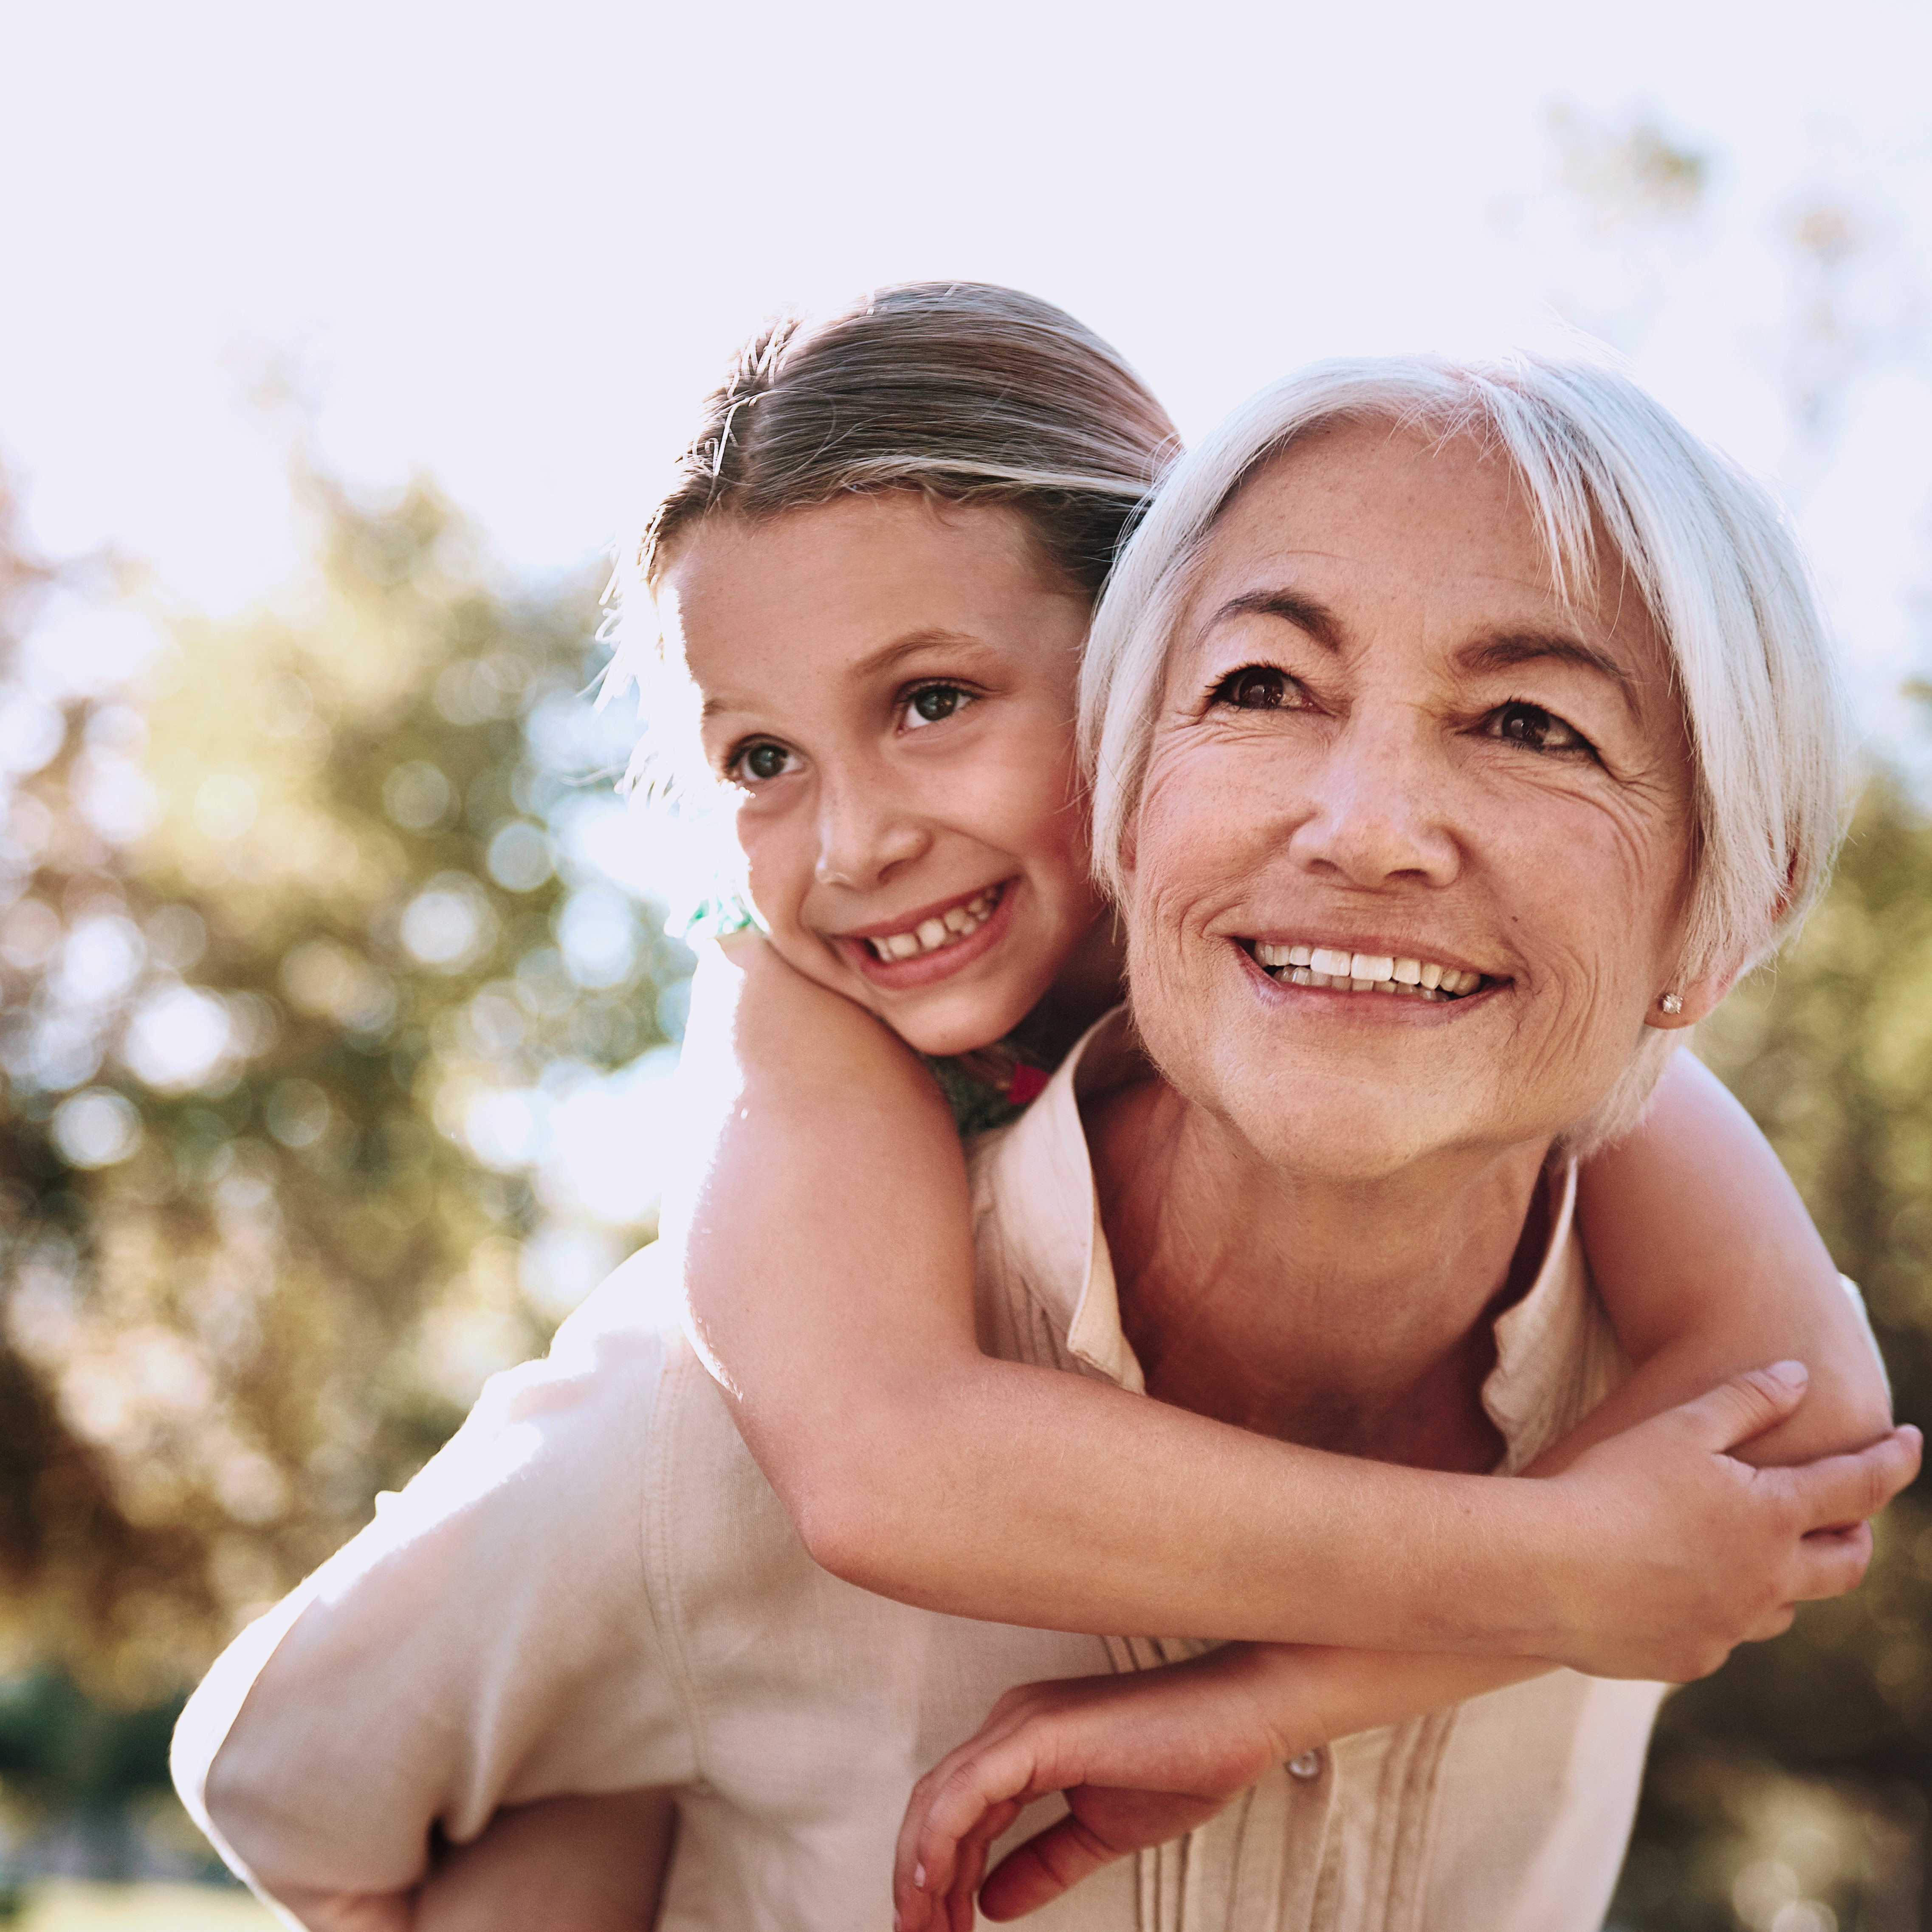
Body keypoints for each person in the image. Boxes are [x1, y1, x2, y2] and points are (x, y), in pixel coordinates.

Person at [169, 315, 1914, 1931]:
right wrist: (1555, 1564)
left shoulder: (1531, 1056)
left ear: (1116, 677)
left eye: (932, 704)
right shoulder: (797, 1047)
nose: (849, 845)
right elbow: (873, 1454)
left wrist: (1281, 1693)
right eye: (758, 761)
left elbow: (1805, 1430)